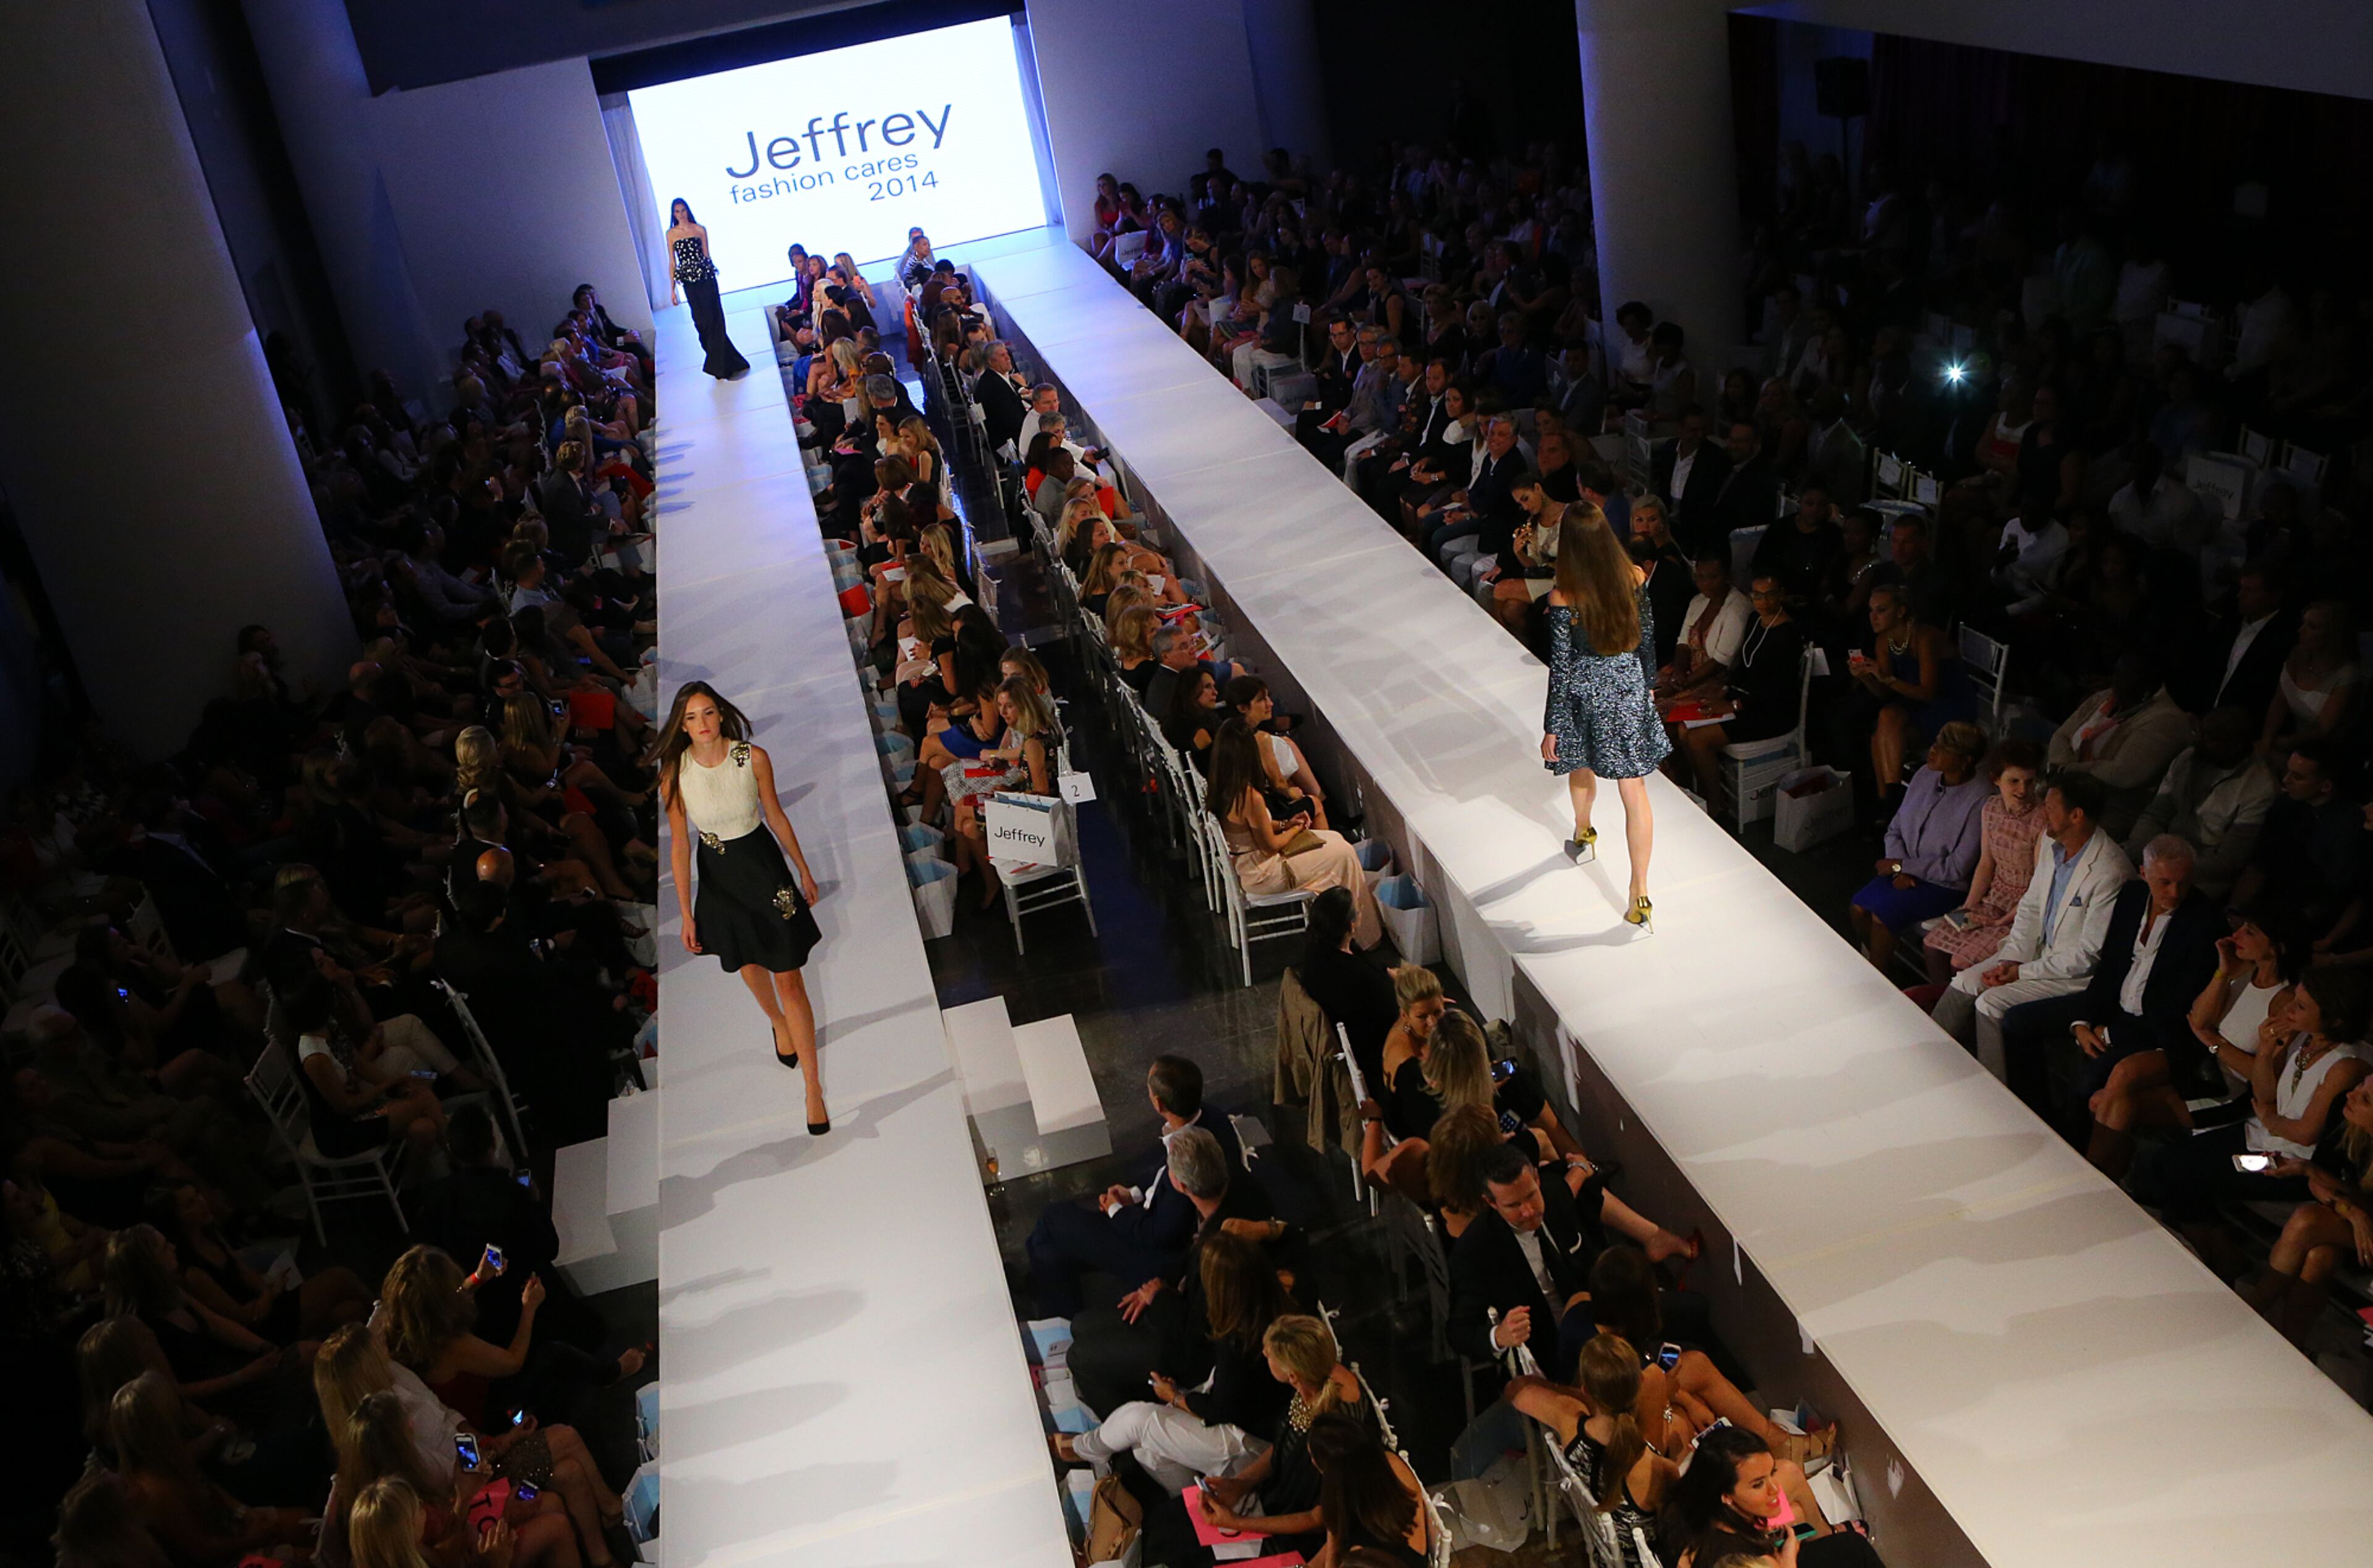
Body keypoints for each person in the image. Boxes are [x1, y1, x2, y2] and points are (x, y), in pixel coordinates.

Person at [654, 682, 827, 1133]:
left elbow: (775, 814)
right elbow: (678, 846)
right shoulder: (675, 772)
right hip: (719, 878)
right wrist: (686, 914)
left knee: (790, 975)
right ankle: (777, 1024)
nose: (703, 724)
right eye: (691, 718)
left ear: (721, 713)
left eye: (708, 713)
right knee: (749, 963)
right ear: (681, 724)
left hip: (764, 868)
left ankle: (813, 1089)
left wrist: (803, 870)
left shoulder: (753, 758)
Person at [2134, 967, 2371, 1266]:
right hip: (2261, 1135)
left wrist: (2271, 1118)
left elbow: (2304, 1134)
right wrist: (2265, 1051)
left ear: (2335, 1019)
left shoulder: (2346, 1065)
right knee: (2166, 1161)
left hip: (2291, 1160)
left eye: (2299, 1006)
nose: (2288, 1009)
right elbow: (2265, 1095)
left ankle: (2213, 1259)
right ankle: (2216, 1250)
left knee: (2185, 1174)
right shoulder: (2303, 1038)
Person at [1992, 835, 2220, 1136]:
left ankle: (2072, 1143)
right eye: (2164, 882)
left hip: (2151, 1028)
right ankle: (2034, 1115)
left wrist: (2110, 1033)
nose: (2175, 892)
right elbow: (2111, 967)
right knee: (2017, 1021)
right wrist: (2082, 1021)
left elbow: (2178, 1005)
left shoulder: (2205, 920)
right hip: (2112, 1005)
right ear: (2144, 873)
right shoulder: (2132, 898)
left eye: (2183, 882)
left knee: (2086, 1083)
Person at [1930, 772, 2135, 1081]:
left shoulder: (2110, 871)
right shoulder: (2054, 846)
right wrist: (2012, 958)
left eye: (2051, 808)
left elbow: (2086, 956)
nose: (2043, 813)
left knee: (1989, 1003)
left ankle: (1997, 1092)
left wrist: (2020, 973)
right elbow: (2031, 907)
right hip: (2035, 954)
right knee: (1965, 983)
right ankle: (1929, 1056)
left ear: (2076, 816)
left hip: (2072, 975)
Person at [1049, 1232, 1293, 1491]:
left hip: (1247, 1440)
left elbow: (1224, 1410)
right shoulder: (1272, 1305)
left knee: (1138, 1419)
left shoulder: (1241, 1338)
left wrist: (1175, 1397)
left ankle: (1084, 1448)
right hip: (1237, 1410)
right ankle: (1188, 1501)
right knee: (1146, 1449)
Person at [2084, 903, 2304, 1181]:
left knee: (2103, 1103)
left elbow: (2264, 1079)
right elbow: (2198, 1019)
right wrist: (2223, 971)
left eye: (2249, 933)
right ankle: (2099, 1179)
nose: (2236, 936)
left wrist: (2214, 1043)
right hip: (2196, 1063)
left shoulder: (2284, 1001)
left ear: (2276, 947)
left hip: (2226, 1088)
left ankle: (2097, 1179)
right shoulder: (2242, 971)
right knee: (2125, 1071)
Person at [1025, 1055, 1245, 1318]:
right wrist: (1135, 1193)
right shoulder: (1211, 1118)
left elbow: (1161, 1235)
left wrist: (1117, 1210)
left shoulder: (1187, 1173)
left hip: (1159, 1259)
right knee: (1050, 1247)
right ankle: (1045, 1290)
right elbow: (1164, 1171)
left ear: (1158, 1102)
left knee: (1051, 1222)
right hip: (1156, 1222)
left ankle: (1058, 1319)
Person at [1542, 508, 1665, 929]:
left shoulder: (1564, 595)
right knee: (1635, 790)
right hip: (1628, 682)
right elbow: (1648, 636)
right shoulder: (1634, 576)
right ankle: (1640, 890)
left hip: (1586, 689)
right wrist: (1647, 684)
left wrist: (1553, 725)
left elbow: (1561, 668)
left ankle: (1583, 830)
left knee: (1580, 760)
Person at [1191, 1314, 1381, 1562]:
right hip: (1275, 1499)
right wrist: (1241, 1483)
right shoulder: (1314, 1379)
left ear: (1292, 1376)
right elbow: (1284, 1445)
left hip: (1300, 1537)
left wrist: (1239, 1522)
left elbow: (1319, 1519)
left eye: (1268, 1354)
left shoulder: (1334, 1434)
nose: (1264, 1355)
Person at [112, 1369, 313, 1565]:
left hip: (225, 1525)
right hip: (227, 1553)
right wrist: (253, 1538)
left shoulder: (169, 1459)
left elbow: (209, 1488)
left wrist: (247, 1514)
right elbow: (203, 1549)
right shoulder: (155, 1491)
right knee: (309, 1555)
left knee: (308, 1521)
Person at [1210, 719, 1381, 947]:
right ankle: (1367, 937)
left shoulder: (1223, 786)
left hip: (1250, 865)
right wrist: (1296, 828)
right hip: (1265, 873)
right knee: (1344, 852)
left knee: (1335, 840)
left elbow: (1251, 829)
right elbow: (1271, 846)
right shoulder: (1251, 797)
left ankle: (1345, 924)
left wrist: (1285, 824)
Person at [2240, 1074, 2373, 1349]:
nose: (2351, 1094)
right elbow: (2319, 1181)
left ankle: (2247, 1314)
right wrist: (2351, 1212)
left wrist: (2310, 1170)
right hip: (2356, 1226)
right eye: (2360, 1084)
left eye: (2366, 1099)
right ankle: (2290, 1348)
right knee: (2320, 1256)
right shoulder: (2347, 1115)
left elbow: (2318, 1176)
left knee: (2307, 1221)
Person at [1848, 721, 1990, 974]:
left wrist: (1903, 866)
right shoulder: (1925, 775)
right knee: (1858, 908)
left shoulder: (1981, 799)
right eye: (1935, 743)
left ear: (1965, 760)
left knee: (1883, 916)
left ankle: (1877, 974)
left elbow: (1957, 869)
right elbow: (1895, 829)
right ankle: (1878, 960)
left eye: (1943, 748)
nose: (1932, 751)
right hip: (1903, 871)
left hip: (1945, 886)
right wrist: (1899, 869)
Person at [1667, 573, 1806, 810]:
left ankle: (1715, 802)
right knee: (1683, 729)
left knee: (1699, 739)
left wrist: (1734, 705)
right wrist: (1724, 691)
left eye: (1769, 594)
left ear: (1781, 595)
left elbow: (1776, 689)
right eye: (1757, 595)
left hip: (1770, 712)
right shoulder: (1754, 621)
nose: (1763, 601)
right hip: (1744, 700)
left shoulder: (1788, 634)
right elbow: (1743, 666)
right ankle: (1703, 791)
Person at [1660, 1423, 1882, 1568]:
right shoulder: (1744, 1560)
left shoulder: (1689, 1506)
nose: (1775, 1489)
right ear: (1726, 1496)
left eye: (1771, 1473)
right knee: (1853, 1547)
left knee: (1796, 1505)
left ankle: (1825, 1533)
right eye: (1758, 1485)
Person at [1923, 740, 2049, 987]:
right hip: (1993, 898)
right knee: (1931, 945)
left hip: (2022, 907)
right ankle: (1938, 1005)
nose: (2023, 790)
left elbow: (2039, 884)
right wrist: (1969, 906)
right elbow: (1986, 863)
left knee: (1960, 962)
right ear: (1996, 780)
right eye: (2014, 781)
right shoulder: (1991, 808)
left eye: (2029, 782)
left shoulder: (2041, 819)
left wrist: (2005, 920)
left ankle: (1959, 1015)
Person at [2120, 707, 2276, 900]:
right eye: (2200, 733)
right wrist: (2140, 851)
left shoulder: (2260, 788)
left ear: (2234, 745)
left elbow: (2228, 860)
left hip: (2201, 877)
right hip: (2156, 857)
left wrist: (2167, 870)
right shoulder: (2188, 759)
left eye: (2209, 738)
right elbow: (2156, 814)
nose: (2198, 741)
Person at [2045, 653, 2193, 840]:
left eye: (2126, 677)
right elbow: (2062, 735)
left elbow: (2123, 774)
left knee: (2043, 829)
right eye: (2117, 673)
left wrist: (2068, 770)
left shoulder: (2166, 720)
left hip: (2110, 809)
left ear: (2148, 684)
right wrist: (2062, 771)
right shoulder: (2106, 698)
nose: (2117, 681)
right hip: (2069, 790)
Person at [1293, 887, 1399, 1087]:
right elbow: (1391, 1014)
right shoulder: (1354, 974)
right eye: (1358, 910)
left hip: (1355, 1026)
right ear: (1351, 926)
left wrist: (1388, 972)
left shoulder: (1319, 949)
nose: (1361, 910)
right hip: (1374, 1049)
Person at [1308, 1413, 1429, 1567]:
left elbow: (1334, 1547)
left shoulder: (1362, 1552)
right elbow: (1334, 1535)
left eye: (1313, 1457)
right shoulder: (1383, 1464)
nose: (1312, 1462)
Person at [664, 198, 748, 380]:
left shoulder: (699, 230)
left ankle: (719, 367)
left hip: (707, 279)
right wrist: (672, 290)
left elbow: (707, 256)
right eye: (677, 212)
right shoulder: (671, 234)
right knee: (701, 322)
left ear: (688, 210)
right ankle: (727, 361)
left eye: (683, 210)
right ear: (673, 214)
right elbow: (672, 262)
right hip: (689, 283)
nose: (681, 214)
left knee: (715, 319)